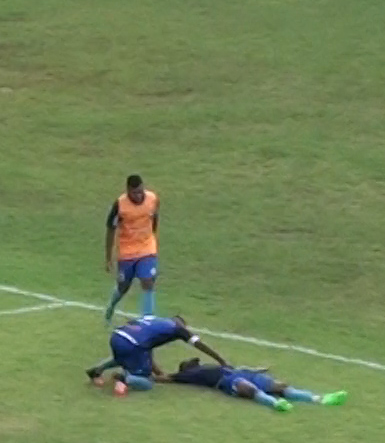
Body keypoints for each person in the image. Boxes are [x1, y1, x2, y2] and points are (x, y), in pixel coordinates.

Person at [85, 314, 228, 391]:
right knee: (147, 382)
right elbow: (200, 345)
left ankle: (96, 370)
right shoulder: (178, 329)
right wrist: (221, 361)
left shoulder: (154, 319)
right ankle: (124, 378)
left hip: (117, 337)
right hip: (132, 344)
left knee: (126, 357)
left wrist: (158, 371)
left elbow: (147, 346)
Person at [170, 357, 348, 412]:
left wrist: (258, 369)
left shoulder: (214, 367)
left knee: (282, 387)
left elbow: (239, 367)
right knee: (248, 389)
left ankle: (323, 399)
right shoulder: (191, 375)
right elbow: (169, 378)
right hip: (228, 381)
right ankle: (275, 404)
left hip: (244, 373)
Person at [104, 174, 160, 321]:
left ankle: (148, 319)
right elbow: (110, 229)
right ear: (128, 190)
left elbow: (154, 217)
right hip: (127, 251)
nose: (138, 195)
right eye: (135, 193)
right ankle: (111, 305)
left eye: (140, 191)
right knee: (123, 287)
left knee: (147, 281)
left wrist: (152, 237)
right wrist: (108, 257)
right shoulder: (120, 205)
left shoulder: (152, 199)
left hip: (147, 248)